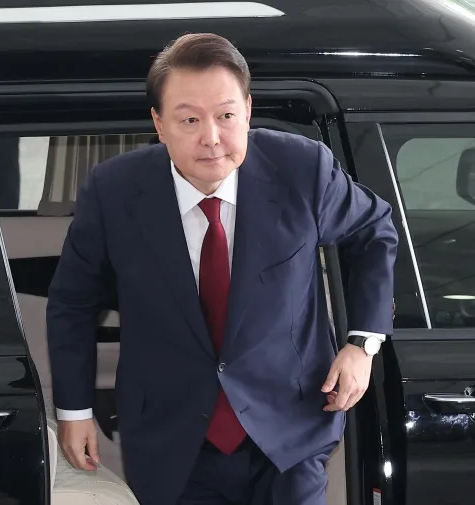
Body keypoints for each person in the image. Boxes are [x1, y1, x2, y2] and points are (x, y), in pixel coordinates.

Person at [46, 33, 398, 505]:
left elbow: (374, 231)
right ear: (159, 124)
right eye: (189, 119)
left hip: (290, 426)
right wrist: (74, 412)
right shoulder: (115, 190)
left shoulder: (302, 168)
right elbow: (72, 302)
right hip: (171, 436)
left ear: (248, 111)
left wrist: (362, 344)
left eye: (226, 115)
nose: (211, 138)